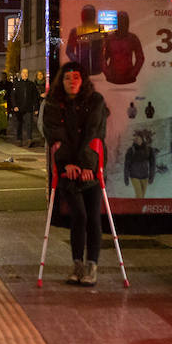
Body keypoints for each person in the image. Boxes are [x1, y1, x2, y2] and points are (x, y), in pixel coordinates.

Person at [43, 60, 110, 286]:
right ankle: (77, 264)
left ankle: (92, 265)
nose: (72, 82)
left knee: (92, 217)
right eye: (67, 78)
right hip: (68, 170)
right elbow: (56, 136)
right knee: (78, 216)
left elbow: (94, 134)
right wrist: (67, 165)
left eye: (76, 78)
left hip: (91, 168)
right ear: (61, 82)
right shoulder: (54, 105)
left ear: (83, 81)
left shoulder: (96, 102)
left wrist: (86, 166)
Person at [101, 11, 145, 85]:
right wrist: (108, 74)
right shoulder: (109, 39)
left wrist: (133, 74)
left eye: (124, 22)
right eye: (120, 22)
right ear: (116, 24)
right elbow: (102, 59)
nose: (122, 25)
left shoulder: (133, 38)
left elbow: (140, 58)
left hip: (129, 78)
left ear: (127, 23)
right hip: (112, 78)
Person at [123, 129, 157, 198]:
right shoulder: (131, 150)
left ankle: (136, 207)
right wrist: (126, 177)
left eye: (138, 138)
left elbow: (152, 164)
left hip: (145, 176)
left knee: (142, 197)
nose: (137, 140)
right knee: (139, 195)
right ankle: (136, 208)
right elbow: (127, 165)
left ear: (142, 139)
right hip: (134, 176)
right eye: (135, 138)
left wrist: (151, 176)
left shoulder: (149, 149)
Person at [10, 68, 39, 147]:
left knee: (29, 124)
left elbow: (35, 97)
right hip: (19, 108)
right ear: (21, 74)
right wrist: (15, 106)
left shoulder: (31, 84)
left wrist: (36, 108)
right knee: (19, 124)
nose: (25, 74)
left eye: (26, 73)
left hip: (28, 108)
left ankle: (29, 139)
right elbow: (13, 96)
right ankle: (19, 139)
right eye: (24, 73)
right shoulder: (16, 84)